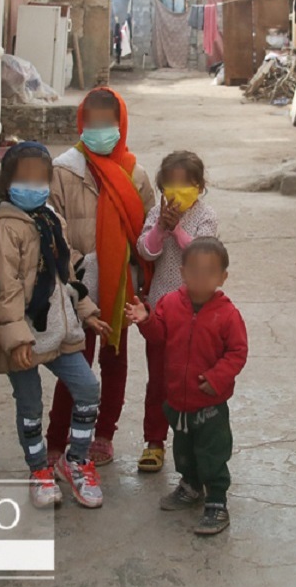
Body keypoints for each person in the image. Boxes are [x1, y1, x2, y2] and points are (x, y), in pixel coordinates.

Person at [0, 142, 112, 509]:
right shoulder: (5, 229)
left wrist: (87, 308)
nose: (33, 185)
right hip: (25, 336)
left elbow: (67, 270)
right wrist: (15, 339)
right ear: (6, 182)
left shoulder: (51, 219)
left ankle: (75, 460)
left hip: (61, 330)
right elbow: (6, 288)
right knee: (30, 405)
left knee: (88, 388)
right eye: (23, 178)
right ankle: (38, 470)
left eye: (40, 178)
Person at [46, 87, 156, 468]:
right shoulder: (63, 170)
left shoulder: (134, 175)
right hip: (75, 286)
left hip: (119, 286)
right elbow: (54, 231)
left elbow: (145, 235)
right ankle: (56, 438)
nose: (100, 128)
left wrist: (139, 284)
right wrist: (78, 272)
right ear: (81, 122)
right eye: (92, 121)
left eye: (108, 122)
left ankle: (104, 434)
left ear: (121, 123)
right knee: (74, 362)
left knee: (114, 361)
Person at [126, 237, 248, 535]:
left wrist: (217, 378)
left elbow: (237, 353)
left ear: (223, 277)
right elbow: (159, 337)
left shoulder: (228, 315)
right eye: (194, 270)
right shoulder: (170, 303)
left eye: (210, 272)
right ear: (182, 272)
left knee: (212, 454)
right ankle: (190, 486)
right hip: (176, 401)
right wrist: (146, 320)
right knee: (183, 449)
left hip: (210, 404)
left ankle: (217, 501)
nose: (201, 278)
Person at [134, 151, 219, 473]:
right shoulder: (157, 212)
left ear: (198, 186)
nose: (177, 192)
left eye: (185, 185)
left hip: (196, 314)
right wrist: (160, 228)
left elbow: (203, 256)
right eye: (170, 185)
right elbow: (146, 250)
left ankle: (194, 441)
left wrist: (179, 229)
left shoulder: (206, 217)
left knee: (191, 379)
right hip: (159, 312)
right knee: (158, 381)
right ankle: (154, 442)